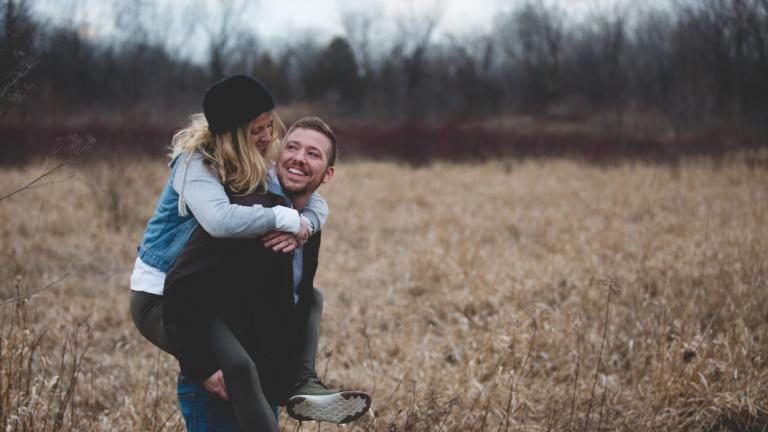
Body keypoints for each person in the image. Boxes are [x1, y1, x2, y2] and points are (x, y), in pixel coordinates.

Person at [127, 75, 338, 428]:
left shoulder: (249, 163)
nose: (269, 137)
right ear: (234, 131)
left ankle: (302, 382)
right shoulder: (196, 163)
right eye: (258, 129)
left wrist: (307, 226)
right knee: (236, 366)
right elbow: (220, 221)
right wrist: (283, 217)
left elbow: (307, 196)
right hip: (161, 292)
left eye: (271, 126)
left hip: (198, 292)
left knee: (309, 297)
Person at [163, 117, 371, 431]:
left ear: (328, 174)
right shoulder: (248, 211)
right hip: (217, 384)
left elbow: (284, 303)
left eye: (313, 154)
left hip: (260, 384)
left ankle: (303, 382)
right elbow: (180, 288)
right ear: (277, 155)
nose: (299, 157)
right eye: (292, 147)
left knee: (312, 296)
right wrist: (200, 366)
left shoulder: (307, 221)